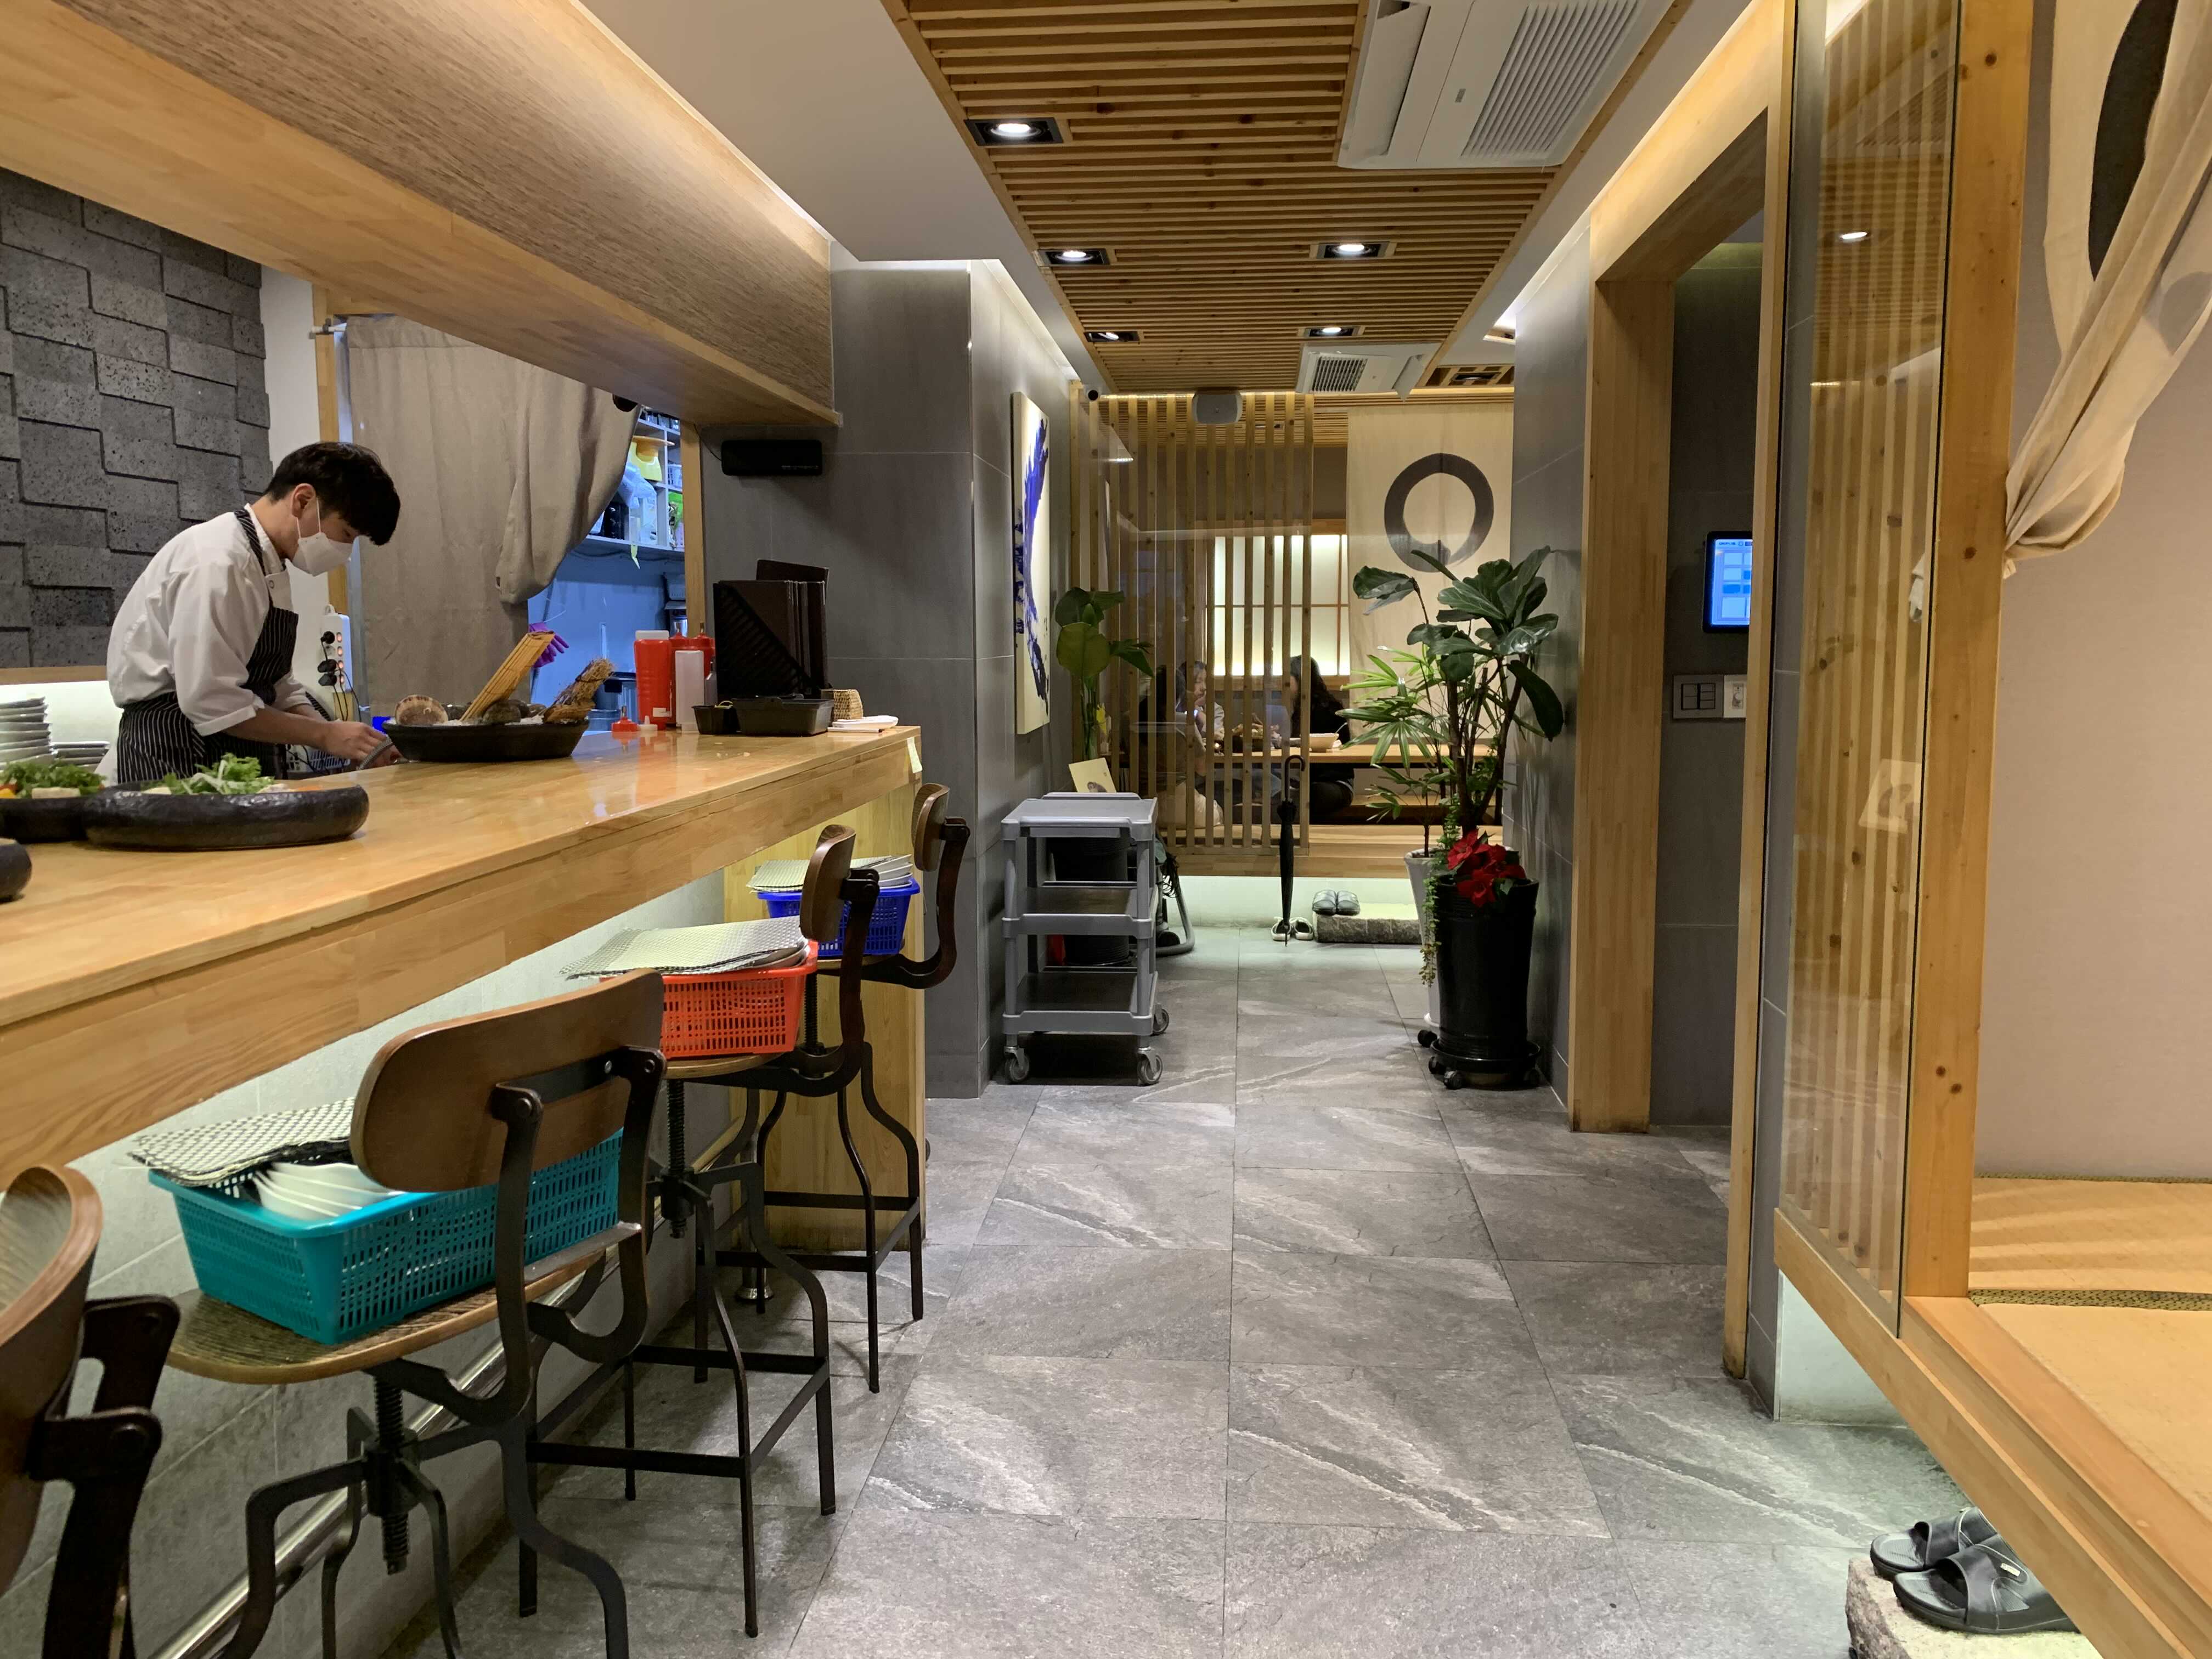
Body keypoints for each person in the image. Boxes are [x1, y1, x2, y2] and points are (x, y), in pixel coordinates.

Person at [105, 443, 402, 782]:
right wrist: (324, 735)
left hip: (234, 749)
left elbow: (277, 683)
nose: (345, 552)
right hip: (177, 749)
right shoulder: (220, 562)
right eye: (346, 534)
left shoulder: (267, 563)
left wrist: (341, 738)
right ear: (303, 500)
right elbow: (210, 700)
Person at [1279, 656, 1356, 820]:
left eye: (1288, 678)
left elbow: (1312, 745)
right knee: (1261, 778)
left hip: (1335, 783)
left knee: (1311, 794)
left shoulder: (1327, 708)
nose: (1283, 683)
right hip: (1309, 781)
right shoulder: (1301, 708)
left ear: (1301, 678)